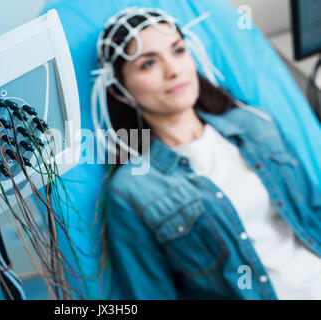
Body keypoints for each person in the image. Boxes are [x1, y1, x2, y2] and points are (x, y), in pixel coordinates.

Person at [91, 7, 321, 300]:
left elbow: (314, 211)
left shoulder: (255, 125)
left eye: (178, 50)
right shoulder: (132, 191)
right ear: (120, 90)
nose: (173, 70)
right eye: (148, 63)